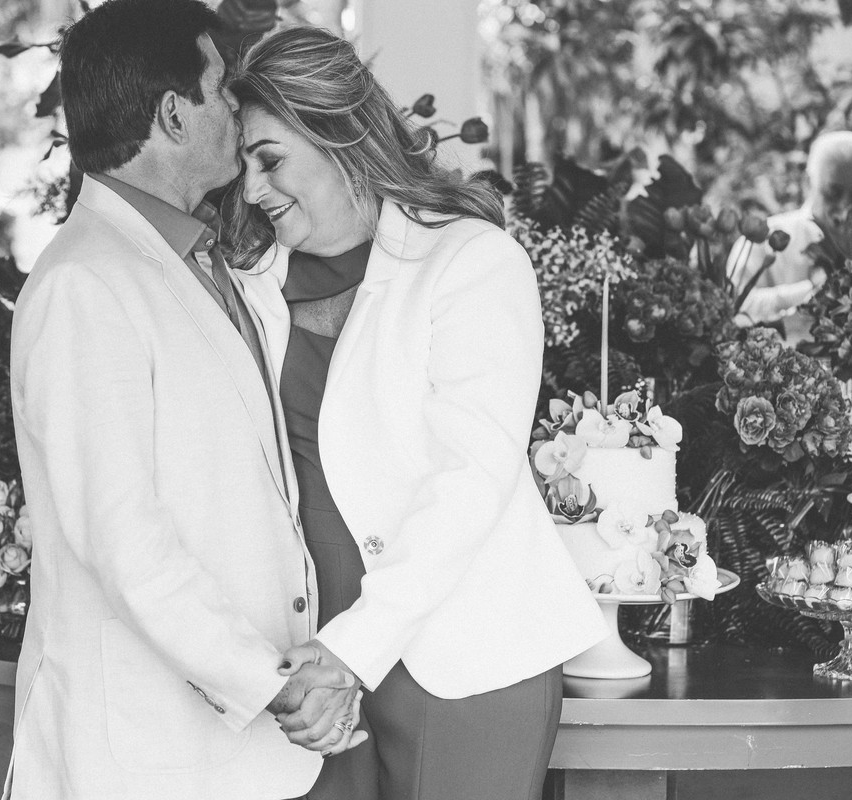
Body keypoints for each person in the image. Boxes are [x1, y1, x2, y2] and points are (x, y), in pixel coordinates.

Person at [226, 27, 608, 800]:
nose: (253, 190)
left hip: (460, 660)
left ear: (337, 132)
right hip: (306, 665)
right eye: (241, 167)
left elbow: (472, 476)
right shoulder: (247, 282)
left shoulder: (471, 261)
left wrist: (354, 649)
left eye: (269, 160)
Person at [4, 3, 362, 798]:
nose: (237, 108)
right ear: (173, 114)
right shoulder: (84, 285)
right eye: (222, 90)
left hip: (221, 751)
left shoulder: (195, 260)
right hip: (142, 753)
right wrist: (271, 682)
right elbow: (123, 539)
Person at [728, 130, 852, 343]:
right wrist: (817, 293)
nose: (844, 206)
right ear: (809, 182)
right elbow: (733, 308)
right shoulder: (761, 237)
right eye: (833, 192)